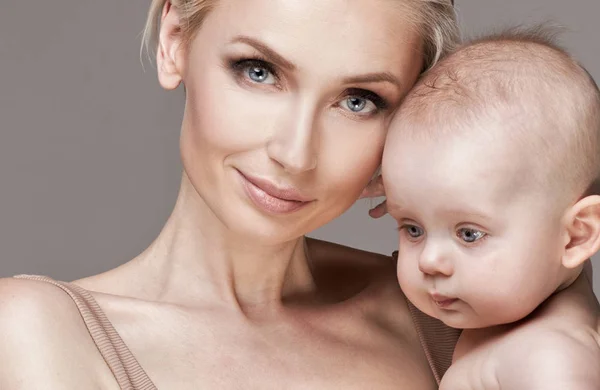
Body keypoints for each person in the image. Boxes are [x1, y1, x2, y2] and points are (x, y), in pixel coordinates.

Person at [0, 0, 463, 389]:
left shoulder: (446, 311)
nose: (296, 154)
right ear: (175, 40)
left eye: (358, 101)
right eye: (259, 72)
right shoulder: (35, 331)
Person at [382, 28, 600, 389]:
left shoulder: (549, 357)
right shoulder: (532, 301)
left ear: (578, 236)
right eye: (413, 228)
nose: (429, 261)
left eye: (469, 233)